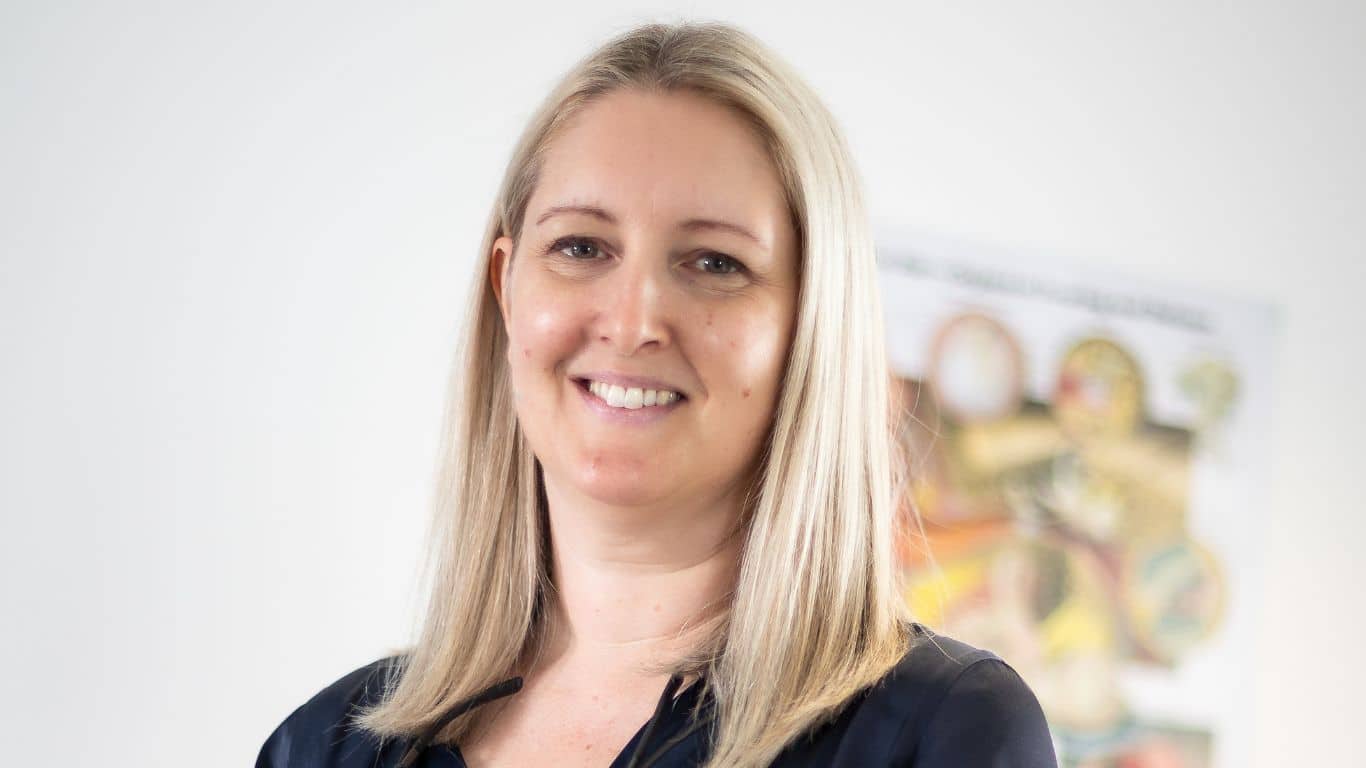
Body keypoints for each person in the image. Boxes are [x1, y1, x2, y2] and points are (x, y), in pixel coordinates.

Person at [256, 20, 1058, 768]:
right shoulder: (327, 746)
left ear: (814, 324)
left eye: (713, 263)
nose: (635, 321)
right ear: (507, 289)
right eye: (580, 246)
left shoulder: (942, 730)